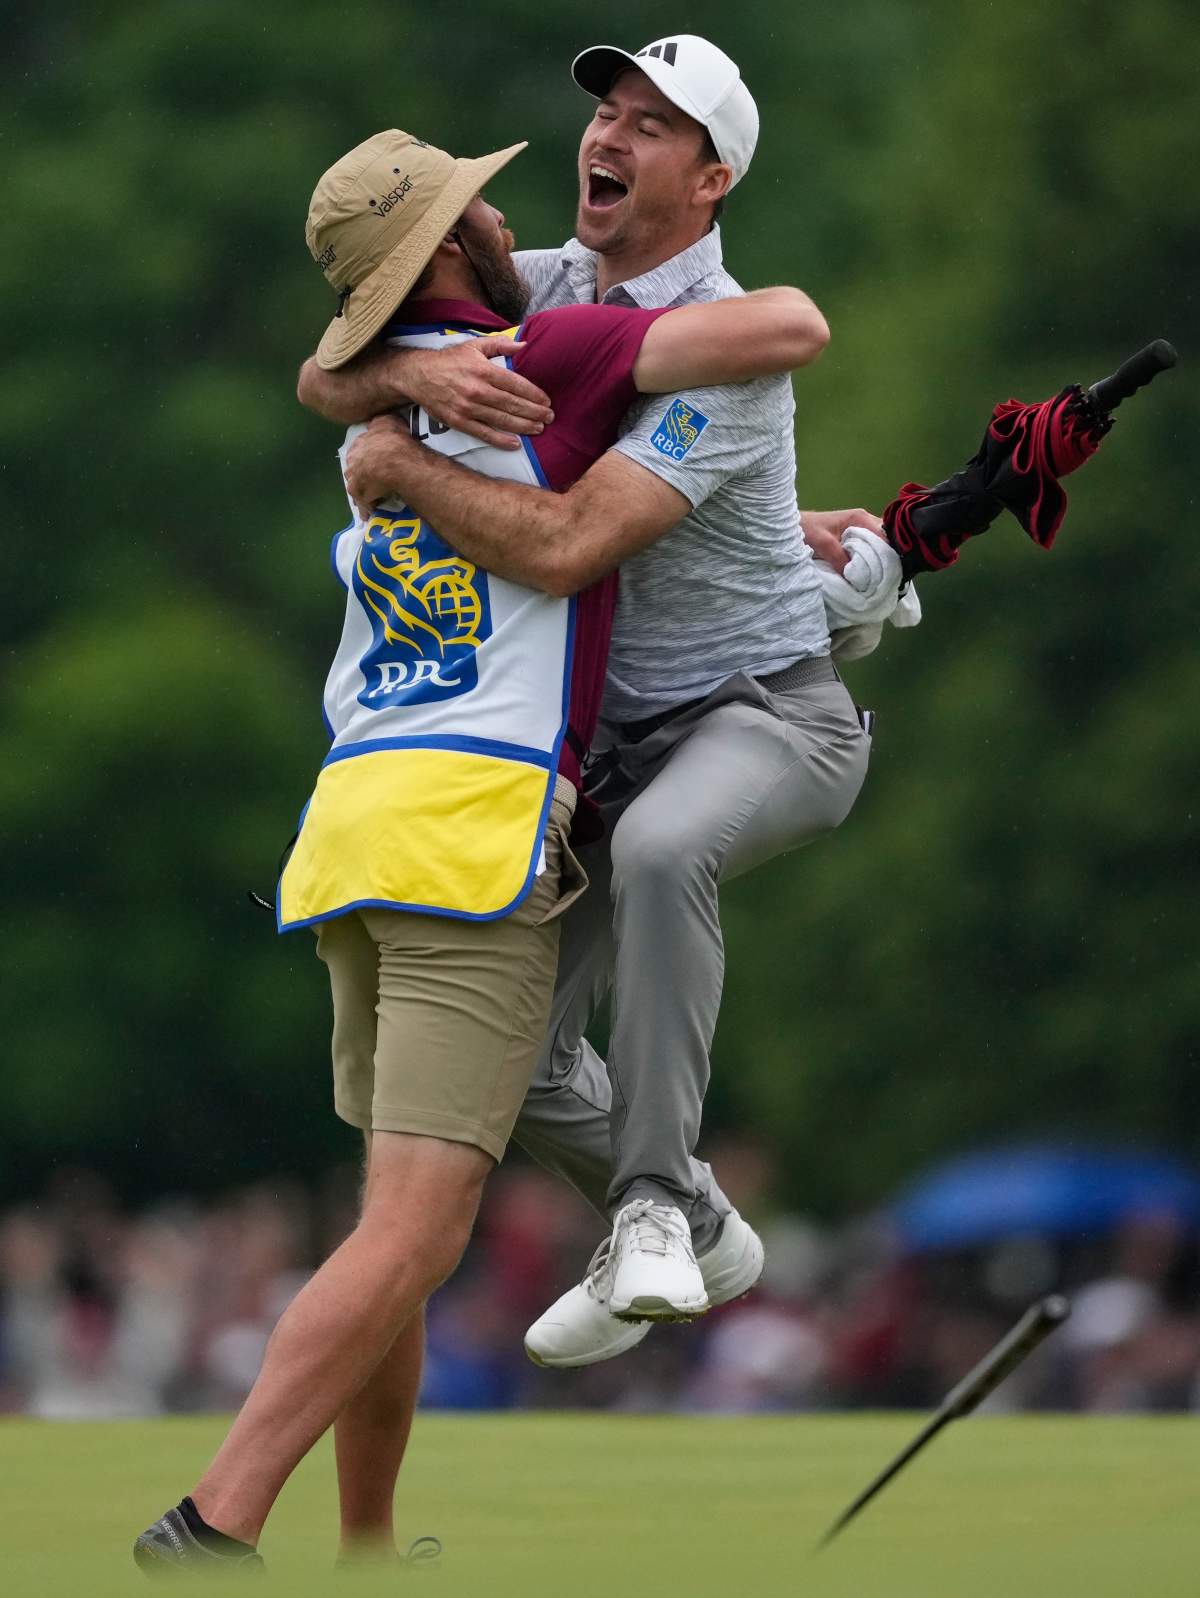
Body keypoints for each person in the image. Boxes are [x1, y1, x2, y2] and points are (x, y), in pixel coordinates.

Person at [132, 126, 831, 1575]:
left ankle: (373, 1542)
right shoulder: (552, 343)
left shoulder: (366, 422)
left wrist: (793, 531)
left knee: (388, 1230)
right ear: (451, 247)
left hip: (350, 836)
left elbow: (332, 379)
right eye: (474, 199)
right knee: (408, 1239)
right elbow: (782, 332)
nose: (506, 208)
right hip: (477, 837)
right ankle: (215, 1520)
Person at [302, 35, 872, 1371]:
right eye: (606, 111)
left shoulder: (726, 344)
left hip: (768, 713)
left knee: (673, 849)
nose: (606, 137)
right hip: (597, 758)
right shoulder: (541, 281)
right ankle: (701, 1223)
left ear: (713, 176)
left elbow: (564, 545)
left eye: (652, 127)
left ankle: (660, 1203)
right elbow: (322, 372)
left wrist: (392, 449)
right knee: (528, 1064)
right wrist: (405, 379)